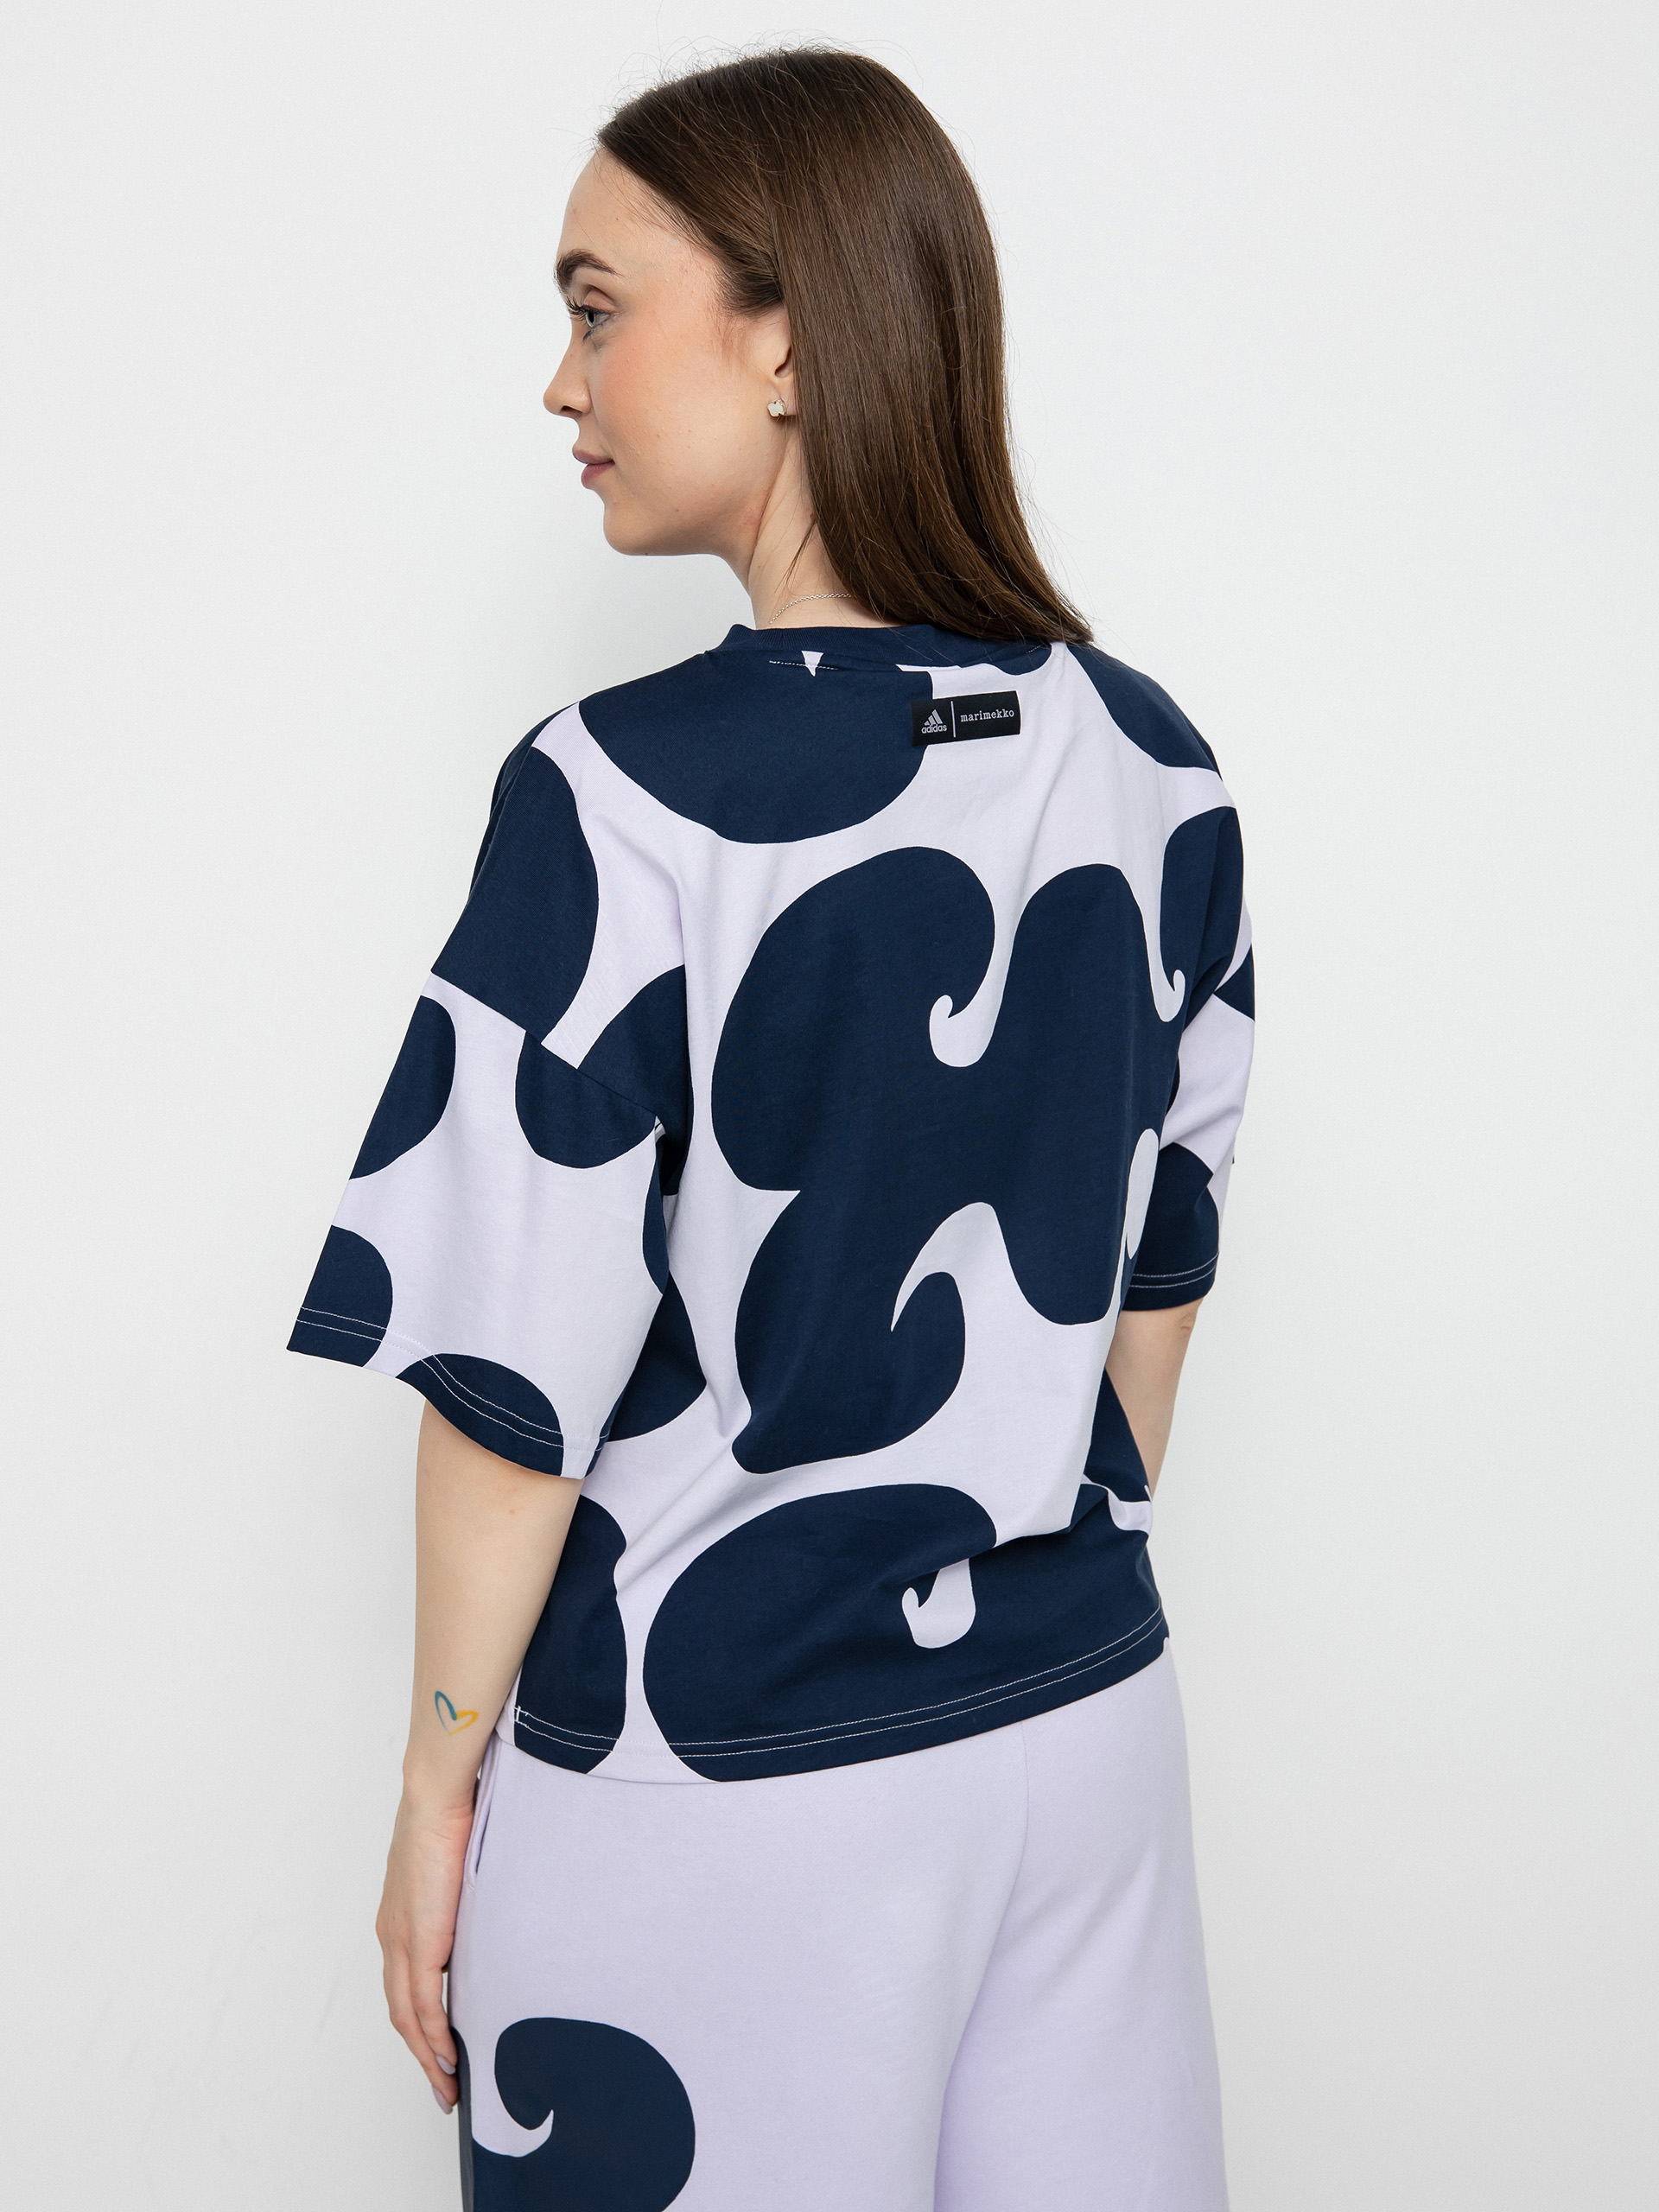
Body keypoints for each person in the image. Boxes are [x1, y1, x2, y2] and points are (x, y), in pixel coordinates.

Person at [289, 46, 1254, 2212]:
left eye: (597, 307)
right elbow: (1154, 1282)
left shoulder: (618, 796)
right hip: (1084, 1731)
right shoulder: (1153, 763)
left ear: (789, 333)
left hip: (720, 1768)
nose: (562, 383)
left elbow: (511, 1374)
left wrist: (438, 1789)